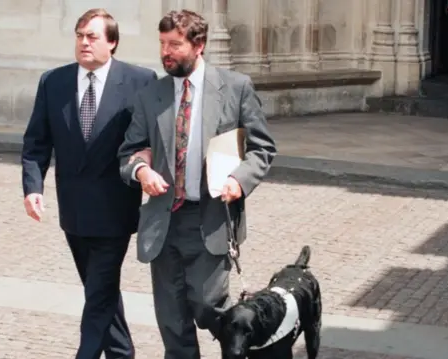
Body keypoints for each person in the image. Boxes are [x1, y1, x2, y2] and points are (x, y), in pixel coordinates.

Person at [117, 9, 277, 359]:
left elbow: (263, 148)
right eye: (162, 44)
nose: (166, 52)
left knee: (208, 306)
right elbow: (129, 153)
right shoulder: (150, 95)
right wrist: (142, 172)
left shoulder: (235, 88)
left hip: (211, 217)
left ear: (199, 45)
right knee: (172, 322)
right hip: (164, 221)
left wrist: (239, 180)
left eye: (175, 44)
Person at [20, 8, 157, 359]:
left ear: (111, 42)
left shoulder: (141, 81)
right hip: (74, 212)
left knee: (98, 294)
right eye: (80, 35)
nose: (84, 42)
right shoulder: (54, 82)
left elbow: (151, 140)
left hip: (115, 209)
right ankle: (122, 353)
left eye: (92, 36)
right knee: (102, 290)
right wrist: (33, 187)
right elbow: (37, 142)